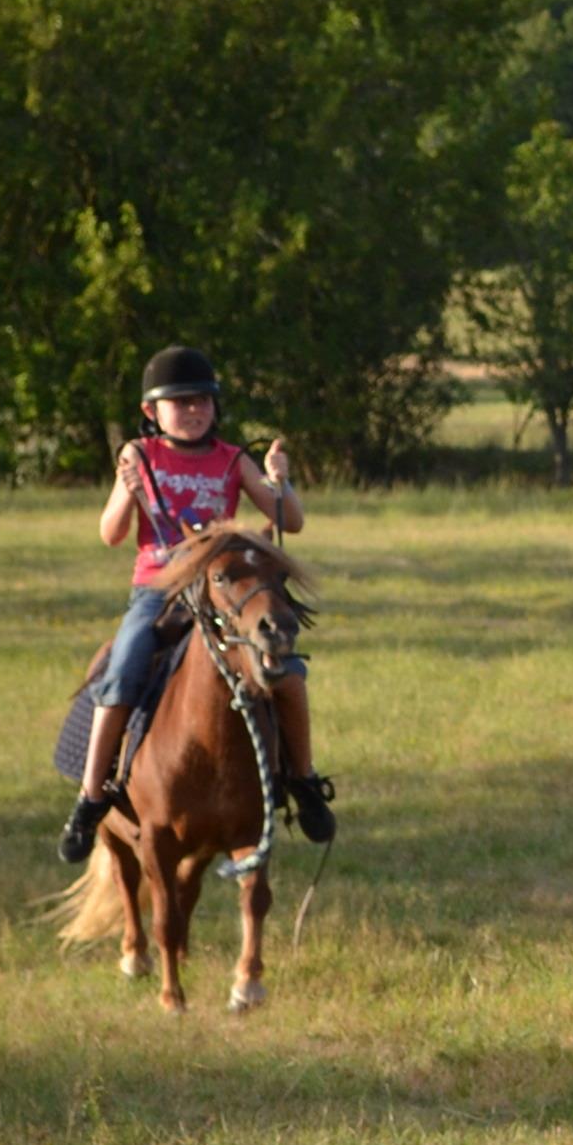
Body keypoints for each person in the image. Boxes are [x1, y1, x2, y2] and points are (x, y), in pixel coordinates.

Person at [59, 346, 332, 863]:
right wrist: (125, 491)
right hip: (159, 593)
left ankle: (304, 780)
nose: (193, 410)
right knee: (121, 671)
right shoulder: (141, 457)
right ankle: (91, 796)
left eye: (202, 401)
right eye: (180, 402)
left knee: (288, 671)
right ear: (151, 413)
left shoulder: (232, 459)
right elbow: (111, 534)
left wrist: (279, 481)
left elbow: (288, 520)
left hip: (221, 594)